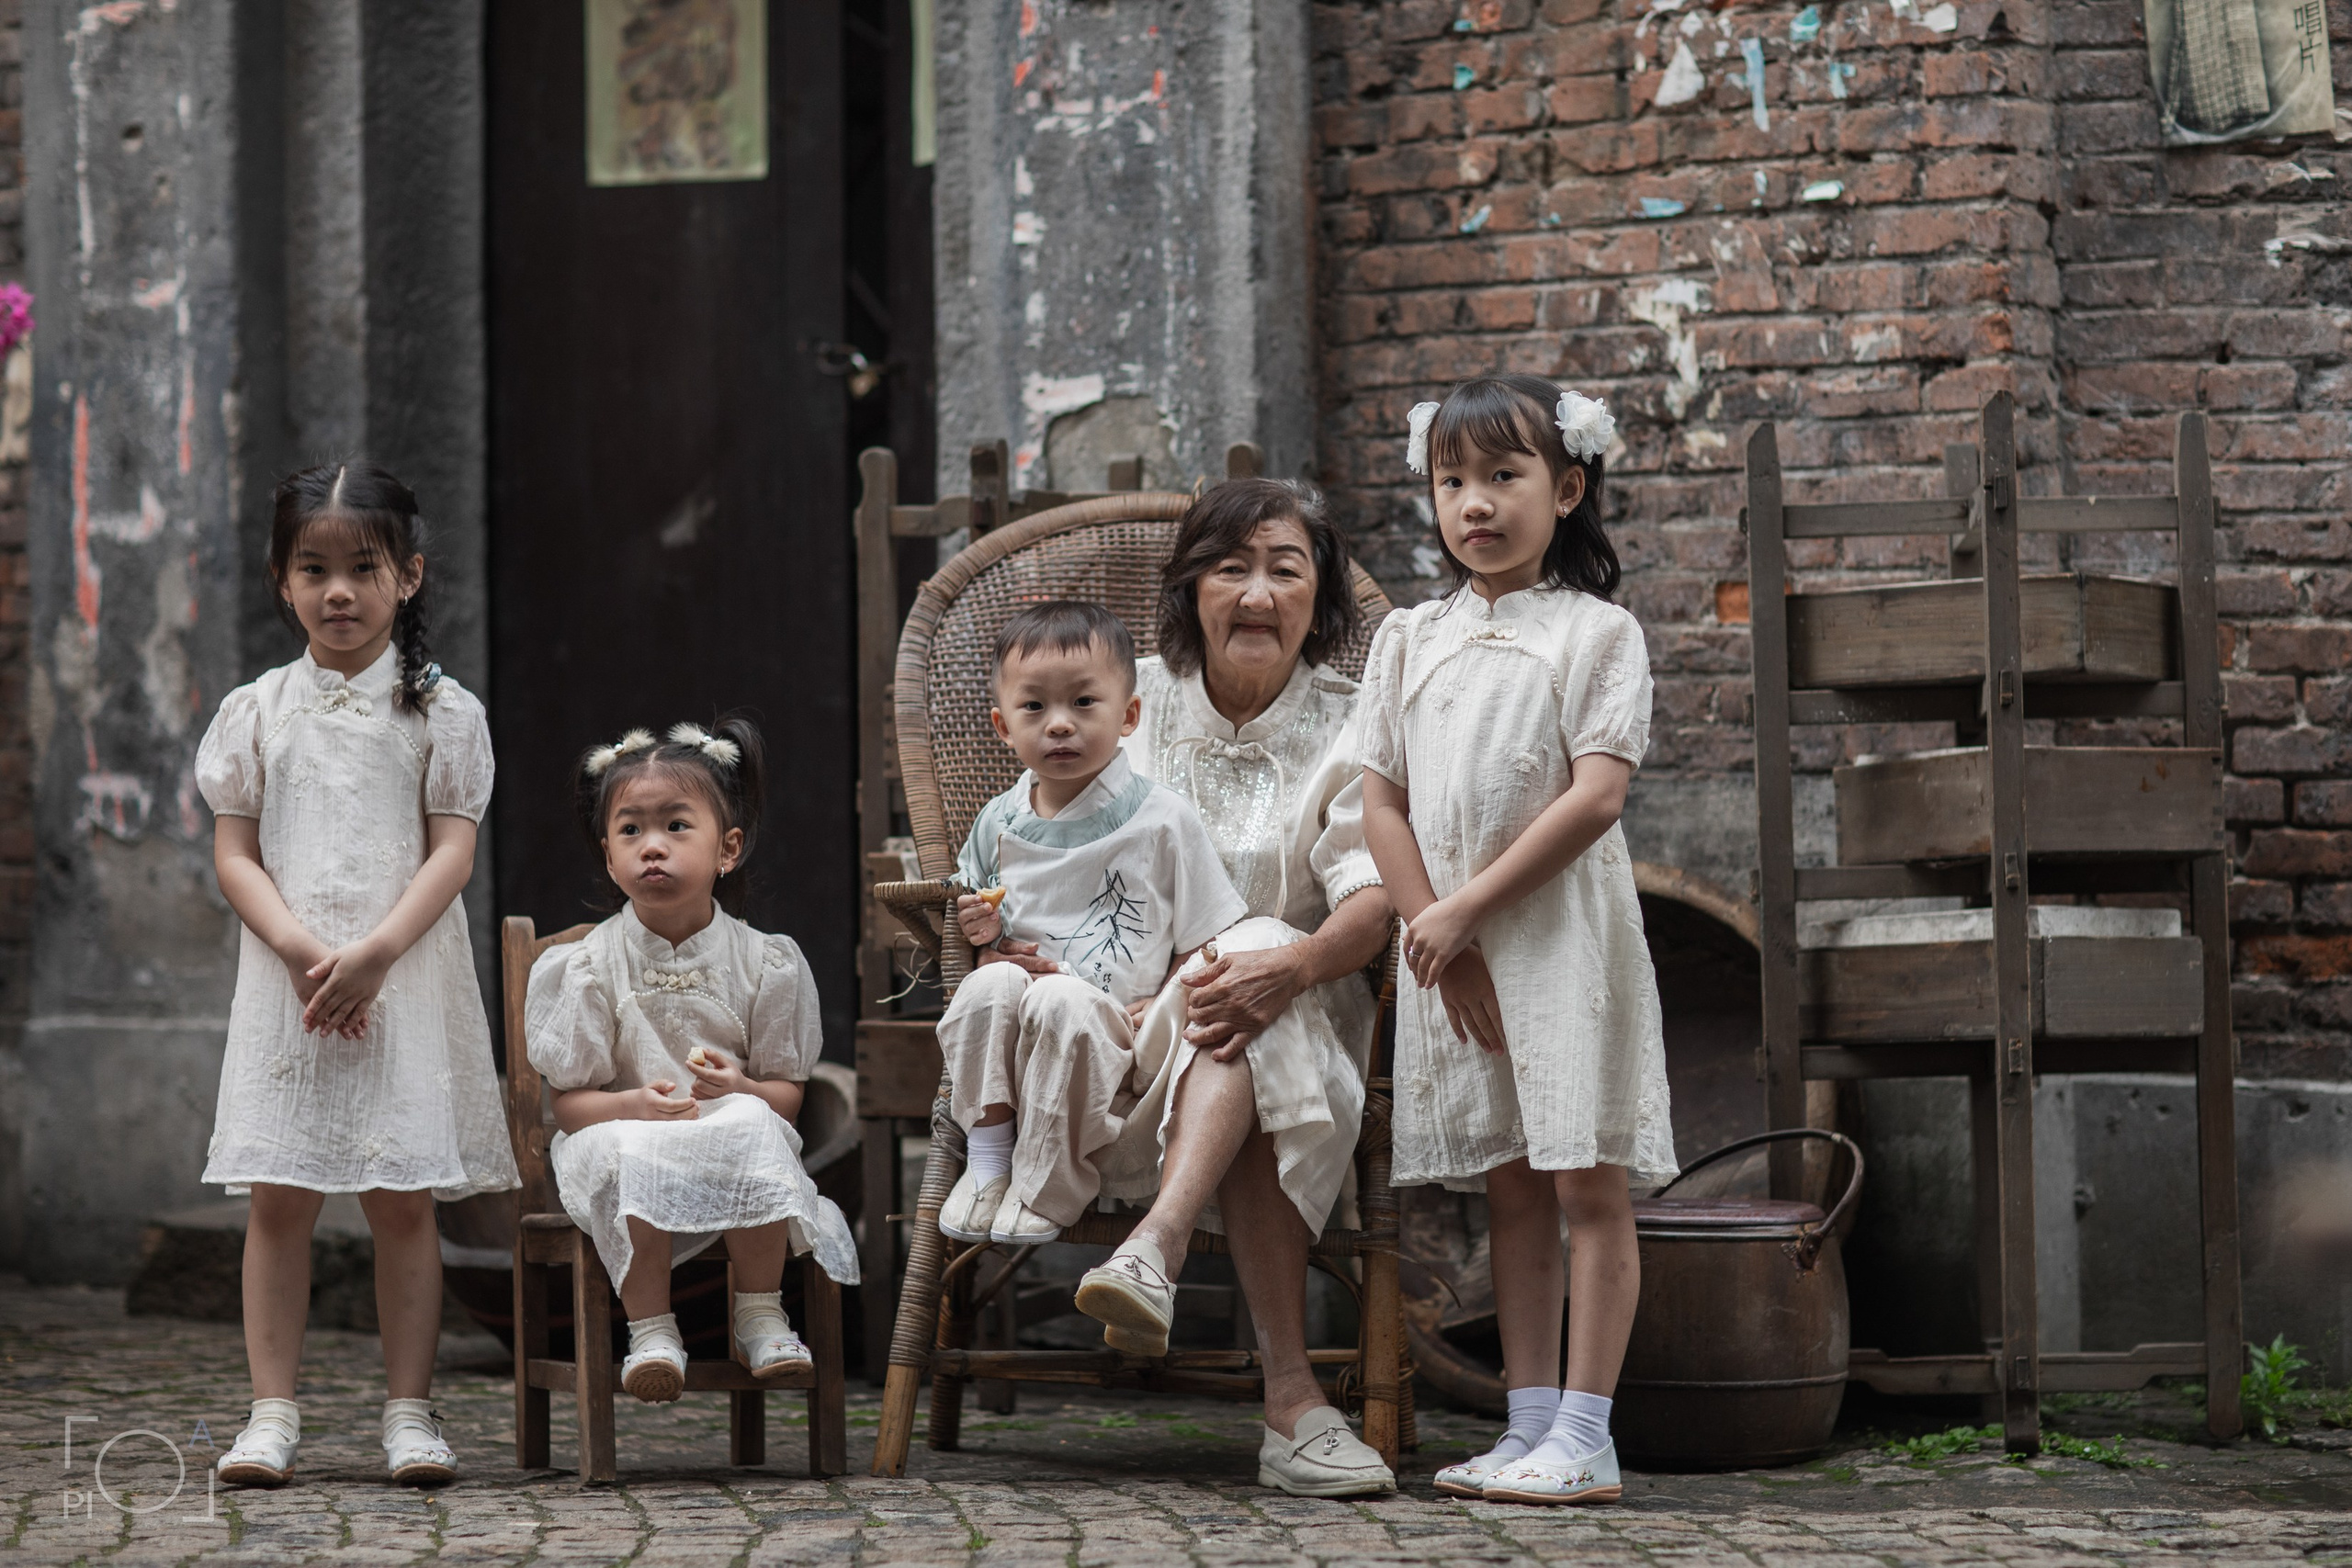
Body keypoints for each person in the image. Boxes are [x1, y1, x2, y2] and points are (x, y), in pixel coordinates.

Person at [1360, 376, 1675, 1506]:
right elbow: (1379, 803)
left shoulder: (1597, 633)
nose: (1474, 504)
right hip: (1458, 957)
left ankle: (1587, 1434)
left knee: (1586, 1182)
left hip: (1557, 947)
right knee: (1509, 1189)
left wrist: (1464, 909)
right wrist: (1427, 924)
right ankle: (1527, 1421)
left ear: (1569, 486)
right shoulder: (1408, 638)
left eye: (1503, 476)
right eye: (1452, 481)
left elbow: (1596, 798)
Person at [197, 462, 520, 1488]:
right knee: (279, 1198)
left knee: (401, 1200)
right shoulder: (255, 712)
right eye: (314, 569)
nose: (339, 591)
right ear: (280, 583)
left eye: (363, 568)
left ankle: (410, 1415)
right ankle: (271, 1413)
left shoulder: (442, 713)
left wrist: (377, 953)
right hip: (286, 986)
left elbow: (451, 854)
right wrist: (300, 950)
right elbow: (235, 852)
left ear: (409, 575)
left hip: (404, 978)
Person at [1087, 478, 1399, 1498]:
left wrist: (1292, 964)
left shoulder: (1358, 727)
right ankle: (1292, 1407)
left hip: (1301, 1013)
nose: (1257, 593)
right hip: (1128, 1025)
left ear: (1321, 596)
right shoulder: (1123, 703)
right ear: (1191, 590)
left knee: (1258, 961)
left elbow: (1369, 903)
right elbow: (1045, 854)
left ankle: (1155, 1250)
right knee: (1243, 969)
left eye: (1284, 568)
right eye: (1232, 568)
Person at [525, 717, 858, 1403]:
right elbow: (569, 1105)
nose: (653, 847)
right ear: (609, 855)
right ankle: (651, 1330)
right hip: (621, 1135)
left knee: (755, 1125)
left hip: (724, 1137)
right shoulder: (586, 967)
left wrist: (740, 1085)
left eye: (677, 826)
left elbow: (788, 1093)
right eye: (631, 831)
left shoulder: (766, 961)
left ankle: (760, 1314)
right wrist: (631, 1105)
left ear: (726, 848)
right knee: (629, 1149)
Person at [936, 601, 1248, 1251]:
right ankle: (990, 1159)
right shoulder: (1000, 821)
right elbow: (976, 915)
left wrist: (1164, 998)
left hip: (1112, 1030)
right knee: (984, 989)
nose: (1059, 725)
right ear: (1002, 724)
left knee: (1057, 996)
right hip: (1015, 1026)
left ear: (1128, 716)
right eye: (1034, 709)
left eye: (1083, 703)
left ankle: (1045, 1184)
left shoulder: (1162, 820)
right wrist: (981, 930)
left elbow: (1207, 934)